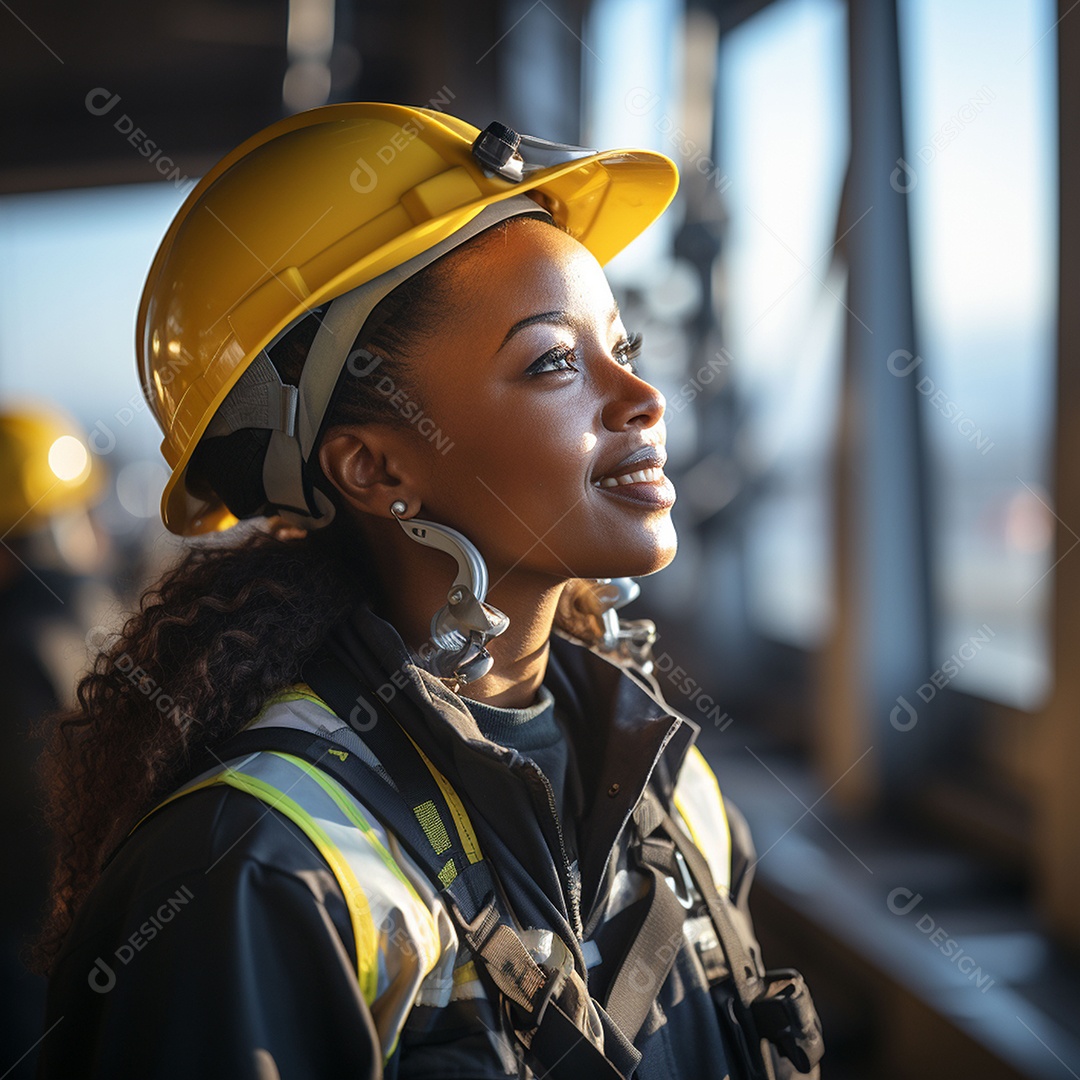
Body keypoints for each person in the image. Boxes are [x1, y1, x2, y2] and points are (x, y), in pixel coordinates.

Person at [32, 103, 822, 1079]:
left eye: (626, 349)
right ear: (375, 468)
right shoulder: (262, 869)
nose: (641, 399)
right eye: (553, 363)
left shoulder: (675, 789)